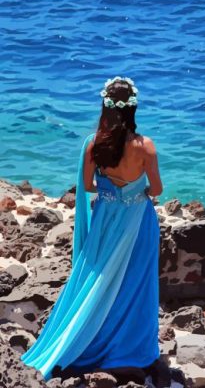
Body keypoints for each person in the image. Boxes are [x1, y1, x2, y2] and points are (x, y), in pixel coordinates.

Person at [20, 76, 163, 381]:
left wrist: (112, 191)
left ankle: (85, 340)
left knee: (95, 281)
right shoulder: (145, 146)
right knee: (136, 285)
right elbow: (157, 190)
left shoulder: (93, 144)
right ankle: (131, 349)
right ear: (133, 109)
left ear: (105, 107)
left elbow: (87, 186)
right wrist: (133, 191)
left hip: (105, 222)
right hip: (138, 222)